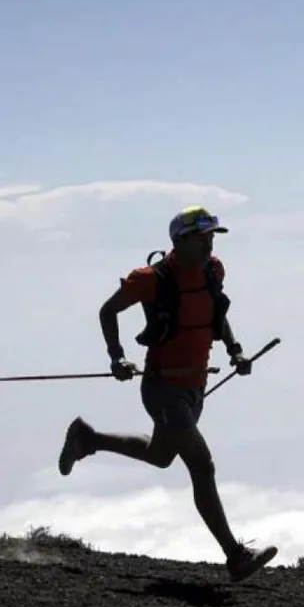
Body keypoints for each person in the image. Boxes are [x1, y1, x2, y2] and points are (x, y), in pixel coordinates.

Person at [55, 204, 278, 582]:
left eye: (212, 237)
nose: (210, 244)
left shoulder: (212, 270)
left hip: (194, 386)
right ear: (181, 240)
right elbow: (107, 312)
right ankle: (235, 555)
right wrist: (117, 357)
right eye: (203, 238)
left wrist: (235, 350)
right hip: (162, 388)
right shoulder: (150, 278)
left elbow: (214, 314)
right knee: (201, 465)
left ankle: (87, 438)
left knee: (161, 456)